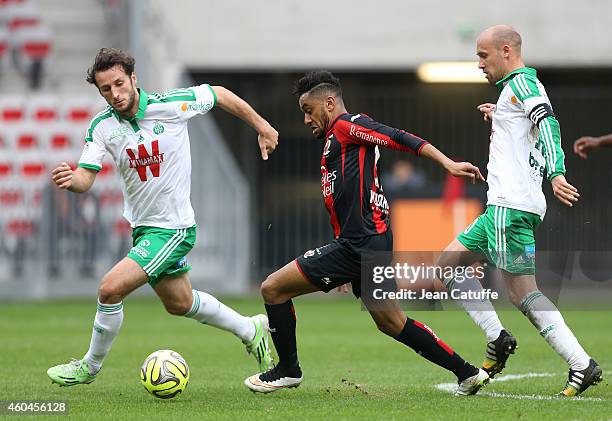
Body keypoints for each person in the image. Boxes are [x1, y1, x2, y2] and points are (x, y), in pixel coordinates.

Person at [244, 70, 490, 396]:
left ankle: (288, 369)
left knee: (273, 289)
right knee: (391, 322)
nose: (305, 120)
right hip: (365, 241)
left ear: (329, 103)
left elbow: (399, 137)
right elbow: (342, 199)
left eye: (308, 110)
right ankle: (468, 372)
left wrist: (447, 163)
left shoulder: (348, 126)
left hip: (359, 243)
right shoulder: (337, 139)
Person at [47, 48, 278, 386]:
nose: (115, 93)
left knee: (110, 289)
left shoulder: (170, 105)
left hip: (173, 229)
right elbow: (86, 177)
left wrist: (263, 126)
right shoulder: (102, 126)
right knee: (179, 302)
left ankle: (89, 367)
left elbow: (219, 94)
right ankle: (250, 328)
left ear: (133, 79)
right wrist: (72, 180)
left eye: (119, 83)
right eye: (106, 89)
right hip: (143, 229)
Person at [434, 25, 602, 397]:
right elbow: (528, 126)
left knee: (524, 294)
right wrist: (502, 115)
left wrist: (557, 173)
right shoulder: (516, 92)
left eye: (483, 55)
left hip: (508, 208)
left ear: (506, 51)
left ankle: (581, 364)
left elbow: (549, 126)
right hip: (506, 207)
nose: (479, 63)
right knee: (446, 265)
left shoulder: (523, 84)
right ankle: (499, 339)